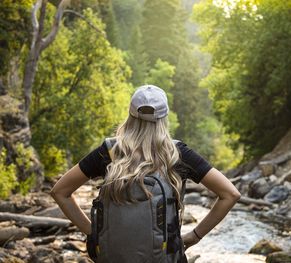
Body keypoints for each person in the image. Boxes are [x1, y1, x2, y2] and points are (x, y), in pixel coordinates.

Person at [50, 84, 241, 262]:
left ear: (130, 115)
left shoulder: (108, 151)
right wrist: (194, 236)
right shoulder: (177, 154)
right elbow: (230, 194)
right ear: (163, 118)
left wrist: (93, 232)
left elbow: (60, 192)